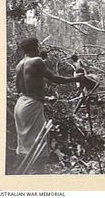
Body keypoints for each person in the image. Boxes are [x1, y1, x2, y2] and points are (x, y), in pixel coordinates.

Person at [13, 37, 84, 174]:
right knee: (39, 140)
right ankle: (39, 173)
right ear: (35, 48)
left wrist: (43, 98)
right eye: (38, 46)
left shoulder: (20, 64)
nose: (39, 49)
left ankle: (21, 172)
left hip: (21, 104)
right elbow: (55, 78)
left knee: (23, 142)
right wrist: (75, 79)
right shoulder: (37, 61)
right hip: (32, 106)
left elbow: (21, 89)